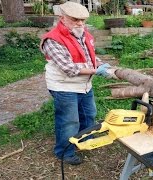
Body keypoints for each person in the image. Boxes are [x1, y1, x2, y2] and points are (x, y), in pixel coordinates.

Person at [40, 1, 111, 165]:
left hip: (84, 85)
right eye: (75, 19)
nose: (80, 23)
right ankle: (64, 152)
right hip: (64, 86)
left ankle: (84, 140)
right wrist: (96, 71)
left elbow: (90, 56)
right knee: (69, 121)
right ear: (62, 18)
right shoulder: (53, 40)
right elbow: (69, 69)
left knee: (89, 115)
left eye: (83, 20)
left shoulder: (83, 34)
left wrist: (100, 64)